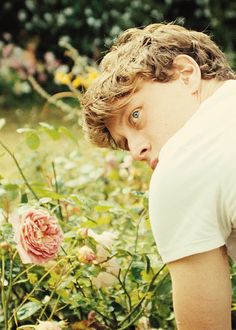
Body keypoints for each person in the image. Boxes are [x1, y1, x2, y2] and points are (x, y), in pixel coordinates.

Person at [82, 22, 236, 329]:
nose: (137, 151)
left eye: (135, 115)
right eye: (125, 143)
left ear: (186, 74)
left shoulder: (183, 160)